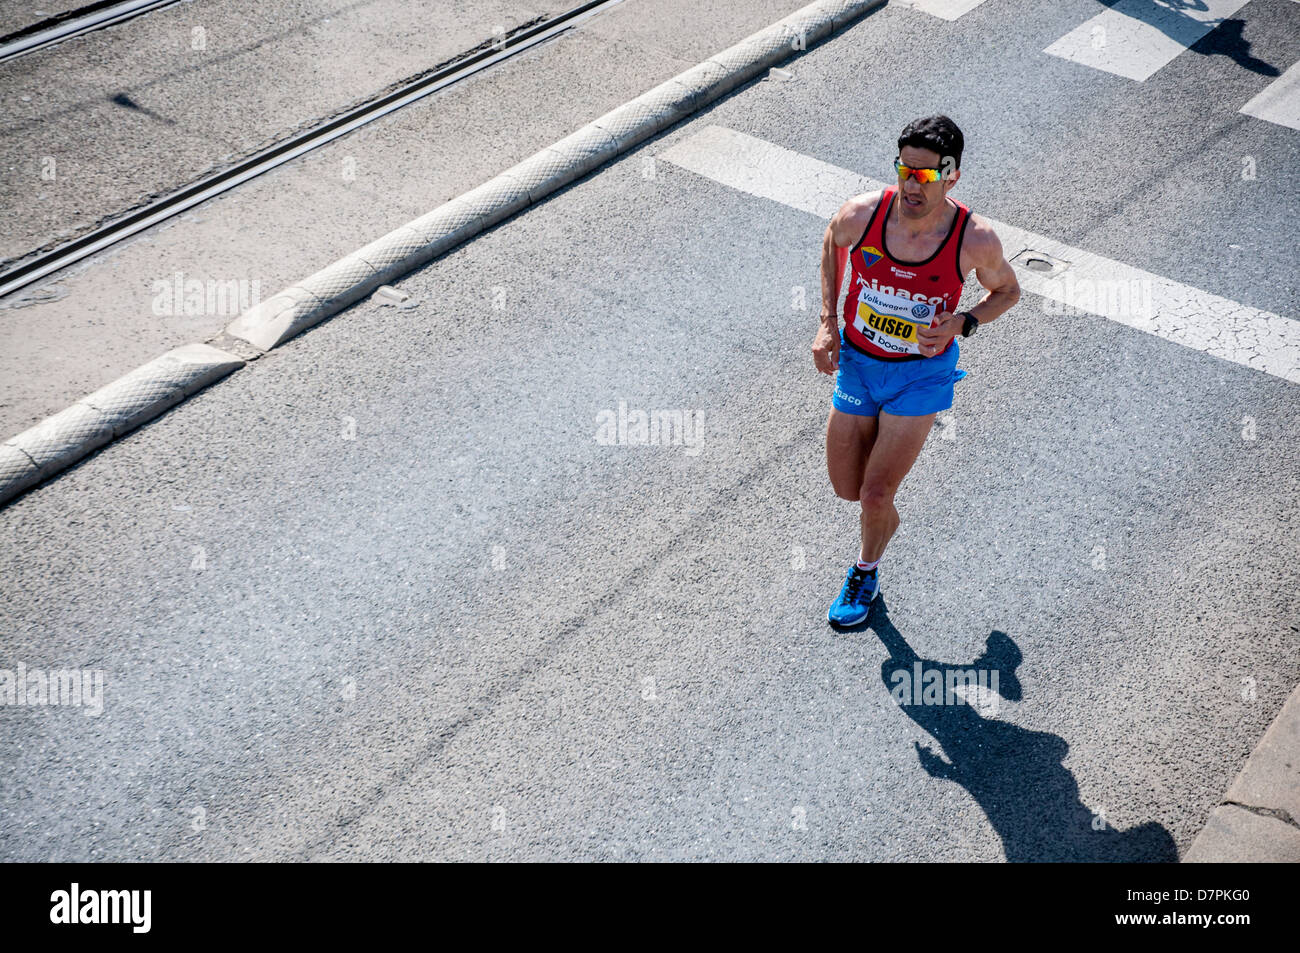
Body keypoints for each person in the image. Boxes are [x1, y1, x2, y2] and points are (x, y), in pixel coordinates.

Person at [812, 115, 1021, 627]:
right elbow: (831, 242)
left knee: (875, 493)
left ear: (951, 175)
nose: (909, 185)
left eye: (924, 176)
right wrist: (827, 322)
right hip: (860, 366)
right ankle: (877, 520)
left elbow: (1008, 292)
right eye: (904, 170)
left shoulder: (975, 239)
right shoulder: (863, 214)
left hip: (919, 376)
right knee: (848, 488)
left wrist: (963, 322)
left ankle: (866, 569)